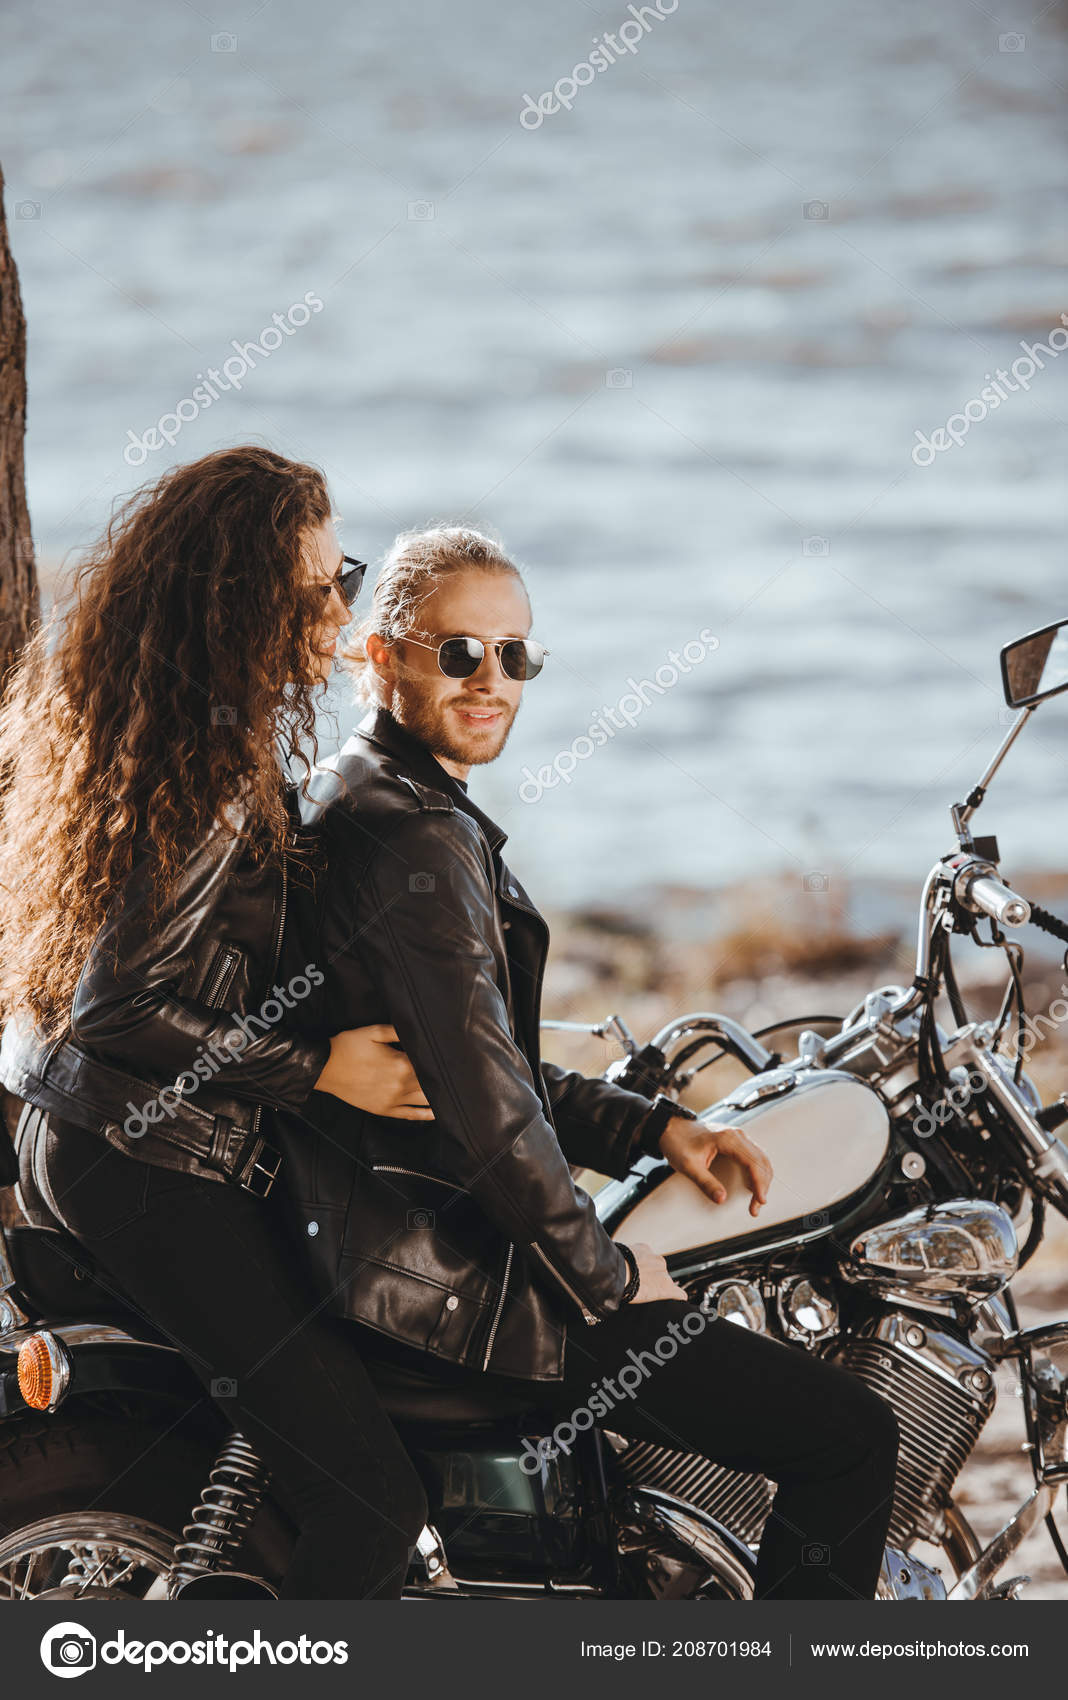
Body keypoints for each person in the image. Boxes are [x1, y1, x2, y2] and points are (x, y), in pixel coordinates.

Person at [271, 524, 901, 1601]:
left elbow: (482, 1064)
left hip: (382, 1242)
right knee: (848, 1435)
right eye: (459, 652)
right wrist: (605, 1280)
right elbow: (491, 1115)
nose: (492, 681)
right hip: (438, 1278)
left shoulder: (362, 789)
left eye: (515, 655)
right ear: (381, 654)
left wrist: (649, 1126)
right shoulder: (419, 837)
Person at [0, 446, 430, 1599]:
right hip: (147, 1161)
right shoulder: (210, 767)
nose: (338, 612)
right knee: (369, 1501)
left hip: (98, 1137)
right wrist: (320, 1067)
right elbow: (123, 1004)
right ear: (237, 604)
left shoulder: (167, 727)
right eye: (312, 592)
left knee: (316, 1427)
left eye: (344, 577)